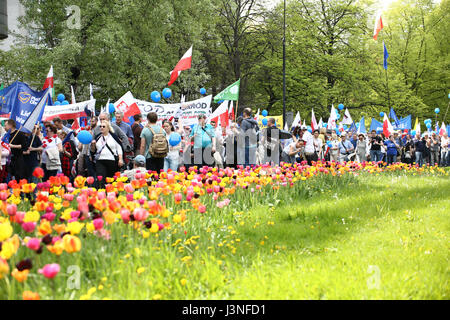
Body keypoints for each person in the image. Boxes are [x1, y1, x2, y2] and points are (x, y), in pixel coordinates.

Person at [91, 121, 124, 186]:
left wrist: (120, 159)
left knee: (111, 179)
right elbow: (93, 151)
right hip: (100, 160)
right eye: (100, 126)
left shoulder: (113, 137)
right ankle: (101, 192)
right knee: (101, 179)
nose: (101, 128)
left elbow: (119, 148)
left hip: (111, 160)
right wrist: (93, 145)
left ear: (108, 128)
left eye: (104, 126)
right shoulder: (97, 137)